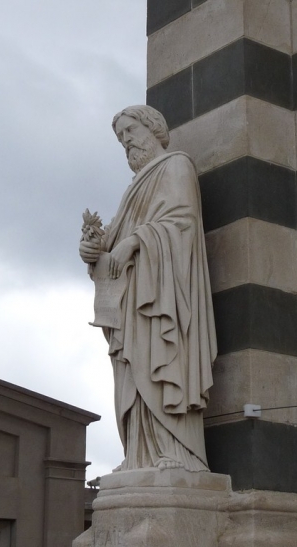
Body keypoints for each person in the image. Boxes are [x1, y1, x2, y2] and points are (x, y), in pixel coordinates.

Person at [79, 105, 217, 472]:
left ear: (153, 128)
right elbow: (113, 239)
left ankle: (178, 451)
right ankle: (140, 454)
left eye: (129, 132)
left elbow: (181, 221)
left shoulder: (176, 166)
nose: (125, 142)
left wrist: (137, 241)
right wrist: (94, 249)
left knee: (161, 364)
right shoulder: (132, 190)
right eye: (120, 138)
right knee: (132, 370)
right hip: (133, 298)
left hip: (163, 294)